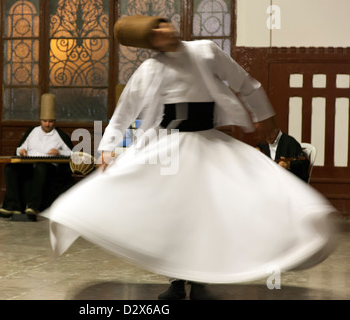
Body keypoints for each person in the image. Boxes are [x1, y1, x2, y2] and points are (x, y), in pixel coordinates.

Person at [40, 16, 337, 299]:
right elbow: (124, 112)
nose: (165, 31)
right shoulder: (149, 69)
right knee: (173, 213)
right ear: (150, 43)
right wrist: (106, 148)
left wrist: (264, 118)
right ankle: (176, 279)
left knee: (213, 208)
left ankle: (200, 277)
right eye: (155, 32)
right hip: (168, 146)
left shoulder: (206, 52)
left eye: (164, 24)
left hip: (207, 142)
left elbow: (246, 83)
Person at [0, 93, 74, 222]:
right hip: (29, 165)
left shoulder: (60, 135)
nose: (47, 124)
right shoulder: (32, 131)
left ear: (54, 122)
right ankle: (13, 205)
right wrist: (21, 150)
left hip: (49, 168)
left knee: (41, 167)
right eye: (45, 121)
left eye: (50, 121)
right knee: (10, 168)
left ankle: (33, 206)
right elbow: (19, 148)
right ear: (40, 120)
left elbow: (73, 154)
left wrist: (59, 152)